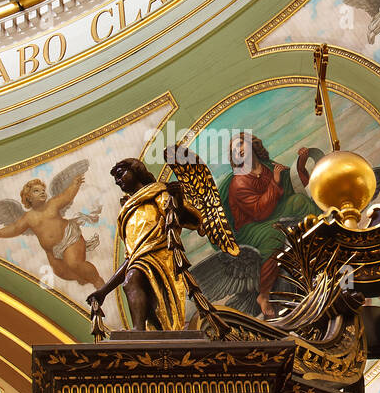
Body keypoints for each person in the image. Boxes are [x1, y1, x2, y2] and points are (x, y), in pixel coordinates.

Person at [88, 159, 202, 332]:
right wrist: (103, 291)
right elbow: (130, 259)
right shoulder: (127, 213)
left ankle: (138, 330)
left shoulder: (156, 193)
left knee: (131, 281)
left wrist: (177, 197)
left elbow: (187, 219)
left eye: (121, 175)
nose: (118, 181)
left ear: (136, 171)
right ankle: (144, 331)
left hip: (161, 257)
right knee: (137, 288)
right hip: (142, 261)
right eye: (116, 180)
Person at [218, 133, 315, 317]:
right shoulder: (239, 182)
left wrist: (301, 165)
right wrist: (275, 181)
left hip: (272, 214)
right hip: (251, 227)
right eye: (234, 151)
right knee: (274, 234)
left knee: (300, 201)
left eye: (241, 145)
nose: (239, 150)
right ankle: (263, 295)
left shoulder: (268, 168)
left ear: (252, 145)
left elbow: (293, 184)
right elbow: (258, 211)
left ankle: (325, 232)